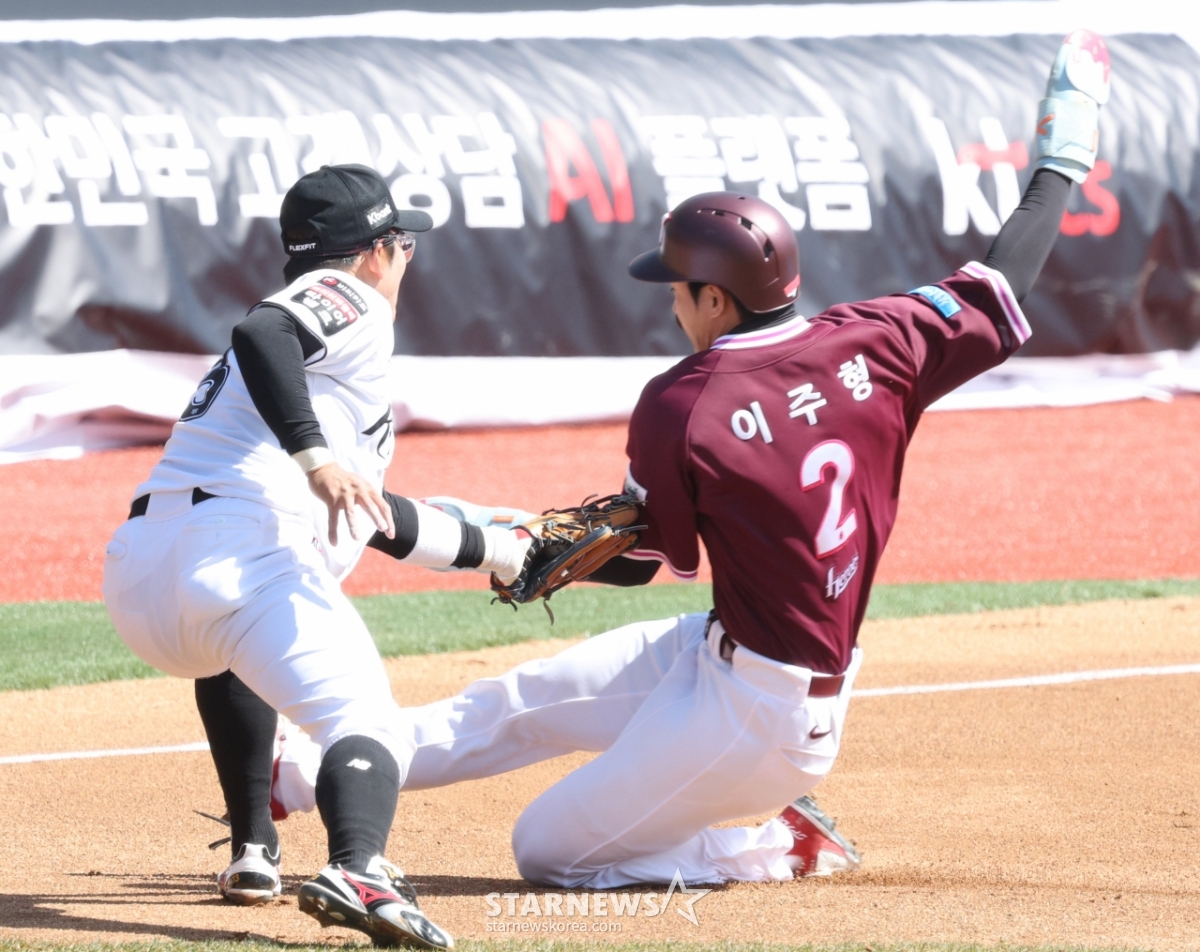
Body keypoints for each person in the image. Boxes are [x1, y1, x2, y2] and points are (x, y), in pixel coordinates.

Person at [354, 31, 1109, 888]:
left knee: (547, 852)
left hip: (764, 720)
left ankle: (781, 848)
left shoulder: (684, 403)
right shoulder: (882, 338)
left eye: (677, 288)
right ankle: (290, 779)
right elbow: (1003, 277)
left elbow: (641, 562)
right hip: (720, 655)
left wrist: (486, 535)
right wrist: (1063, 151)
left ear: (715, 297)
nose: (671, 302)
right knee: (516, 705)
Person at [102, 164, 535, 948]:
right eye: (401, 241)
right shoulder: (353, 302)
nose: (407, 257)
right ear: (370, 251)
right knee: (367, 721)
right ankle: (358, 866)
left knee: (238, 652)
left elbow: (373, 518)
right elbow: (263, 331)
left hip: (147, 577)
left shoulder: (314, 379)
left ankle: (252, 849)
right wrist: (313, 457)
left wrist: (496, 550)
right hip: (237, 549)